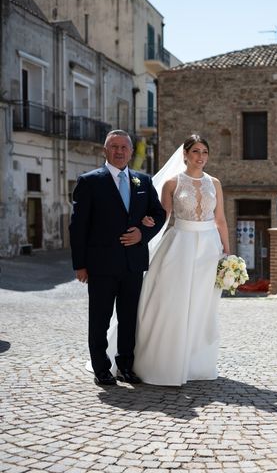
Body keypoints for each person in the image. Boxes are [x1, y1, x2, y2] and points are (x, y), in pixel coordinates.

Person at [69, 129, 166, 386]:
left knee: (128, 318)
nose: (120, 151)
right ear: (105, 150)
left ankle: (126, 366)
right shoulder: (89, 181)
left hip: (133, 264)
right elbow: (78, 227)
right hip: (100, 265)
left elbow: (159, 214)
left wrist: (143, 232)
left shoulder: (143, 182)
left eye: (124, 147)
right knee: (99, 318)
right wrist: (80, 265)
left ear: (131, 152)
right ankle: (101, 368)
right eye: (114, 147)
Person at [132, 134, 230, 386]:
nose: (201, 157)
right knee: (173, 302)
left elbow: (220, 219)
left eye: (205, 152)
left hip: (209, 248)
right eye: (196, 151)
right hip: (180, 245)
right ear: (185, 154)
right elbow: (163, 217)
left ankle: (195, 362)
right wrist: (146, 225)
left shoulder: (215, 183)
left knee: (201, 305)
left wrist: (227, 252)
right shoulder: (172, 183)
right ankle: (166, 361)